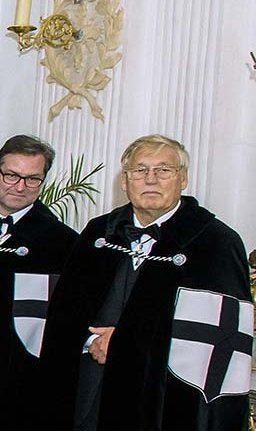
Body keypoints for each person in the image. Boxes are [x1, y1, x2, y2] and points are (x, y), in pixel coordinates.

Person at [43, 135, 251, 430]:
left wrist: (126, 346)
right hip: (91, 387)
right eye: (140, 170)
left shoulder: (216, 242)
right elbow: (64, 312)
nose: (150, 179)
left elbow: (220, 340)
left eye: (163, 170)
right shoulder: (98, 233)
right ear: (125, 181)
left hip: (165, 398)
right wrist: (91, 341)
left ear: (183, 179)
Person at [0, 135, 78, 431]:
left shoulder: (65, 244)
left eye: (33, 179)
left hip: (25, 376)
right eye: (12, 175)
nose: (20, 187)